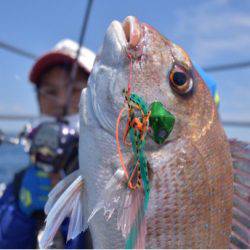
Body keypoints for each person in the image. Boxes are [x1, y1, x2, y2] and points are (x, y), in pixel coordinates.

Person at [0, 39, 95, 248]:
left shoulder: (114, 174)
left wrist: (70, 216)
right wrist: (21, 213)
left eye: (75, 89)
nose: (61, 102)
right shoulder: (21, 181)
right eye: (50, 92)